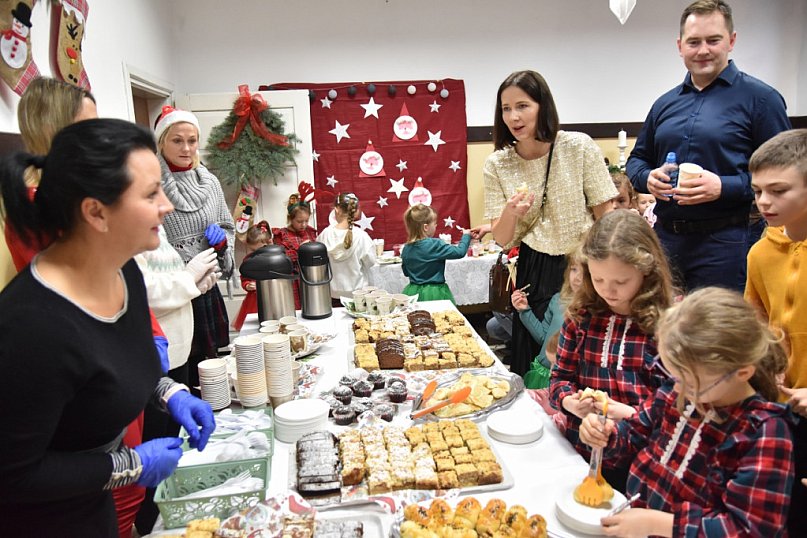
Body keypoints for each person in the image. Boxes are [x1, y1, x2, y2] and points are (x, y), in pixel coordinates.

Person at [0, 119, 215, 535]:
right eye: (151, 194)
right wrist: (130, 465)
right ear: (96, 212)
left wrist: (167, 392)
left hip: (97, 512)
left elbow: (114, 364)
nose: (166, 205)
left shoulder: (124, 274)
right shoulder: (32, 327)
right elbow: (14, 474)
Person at [580, 288, 794, 537]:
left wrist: (658, 524)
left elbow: (750, 530)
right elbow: (636, 431)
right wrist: (606, 434)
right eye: (675, 375)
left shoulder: (765, 434)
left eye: (690, 382)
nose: (678, 388)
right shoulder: (679, 390)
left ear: (742, 372)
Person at [626, 0, 791, 293]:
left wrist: (723, 186)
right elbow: (637, 160)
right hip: (667, 241)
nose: (703, 50)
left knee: (719, 335)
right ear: (680, 46)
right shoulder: (664, 104)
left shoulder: (762, 100)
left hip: (728, 242)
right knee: (666, 331)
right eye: (694, 42)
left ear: (732, 40)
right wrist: (648, 178)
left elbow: (784, 176)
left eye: (713, 40)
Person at [483, 69, 618, 376]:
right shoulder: (497, 163)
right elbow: (502, 238)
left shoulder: (577, 146)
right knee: (535, 354)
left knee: (582, 351)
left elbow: (606, 217)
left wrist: (604, 269)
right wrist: (511, 212)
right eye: (506, 109)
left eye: (523, 105)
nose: (514, 116)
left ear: (543, 106)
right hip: (534, 268)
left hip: (580, 264)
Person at [549, 210, 674, 491]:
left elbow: (674, 407)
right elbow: (559, 380)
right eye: (598, 279)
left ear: (647, 271)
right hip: (582, 453)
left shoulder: (667, 326)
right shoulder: (581, 317)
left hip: (642, 461)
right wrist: (571, 404)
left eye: (621, 282)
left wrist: (629, 413)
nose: (608, 290)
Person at [744, 128, 807, 535]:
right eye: (757, 190)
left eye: (778, 190)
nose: (764, 201)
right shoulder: (760, 252)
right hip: (785, 410)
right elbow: (757, 329)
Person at [155, 106, 235, 391]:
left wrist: (223, 243)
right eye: (177, 140)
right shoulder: (151, 185)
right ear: (162, 140)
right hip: (174, 299)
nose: (186, 148)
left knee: (212, 377)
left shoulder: (210, 182)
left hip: (208, 292)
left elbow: (227, 225)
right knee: (180, 377)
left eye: (192, 140)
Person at [513, 242, 583, 389]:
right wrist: (525, 310)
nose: (577, 277)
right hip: (542, 373)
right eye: (574, 269)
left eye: (585, 272)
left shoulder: (594, 311)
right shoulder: (558, 299)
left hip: (568, 381)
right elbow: (543, 337)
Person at [400, 203, 472, 303]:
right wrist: (466, 236)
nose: (436, 226)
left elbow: (406, 272)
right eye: (434, 224)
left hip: (413, 293)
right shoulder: (435, 244)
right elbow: (459, 252)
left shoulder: (406, 248)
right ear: (425, 227)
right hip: (435, 292)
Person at [316, 192, 376, 303]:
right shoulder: (362, 237)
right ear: (356, 211)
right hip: (358, 296)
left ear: (336, 209)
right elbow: (370, 262)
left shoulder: (324, 235)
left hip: (332, 294)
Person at [275, 193, 318, 309]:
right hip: (292, 281)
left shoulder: (311, 233)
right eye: (299, 221)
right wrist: (301, 251)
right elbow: (282, 261)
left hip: (310, 278)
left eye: (306, 221)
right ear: (290, 218)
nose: (303, 225)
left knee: (312, 308)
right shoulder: (282, 235)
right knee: (294, 310)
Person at [233, 220, 273, 331]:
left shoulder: (275, 258)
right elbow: (244, 277)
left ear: (268, 243)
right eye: (253, 250)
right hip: (255, 300)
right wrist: (247, 285)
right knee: (255, 328)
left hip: (273, 297)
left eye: (260, 249)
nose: (257, 253)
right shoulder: (249, 260)